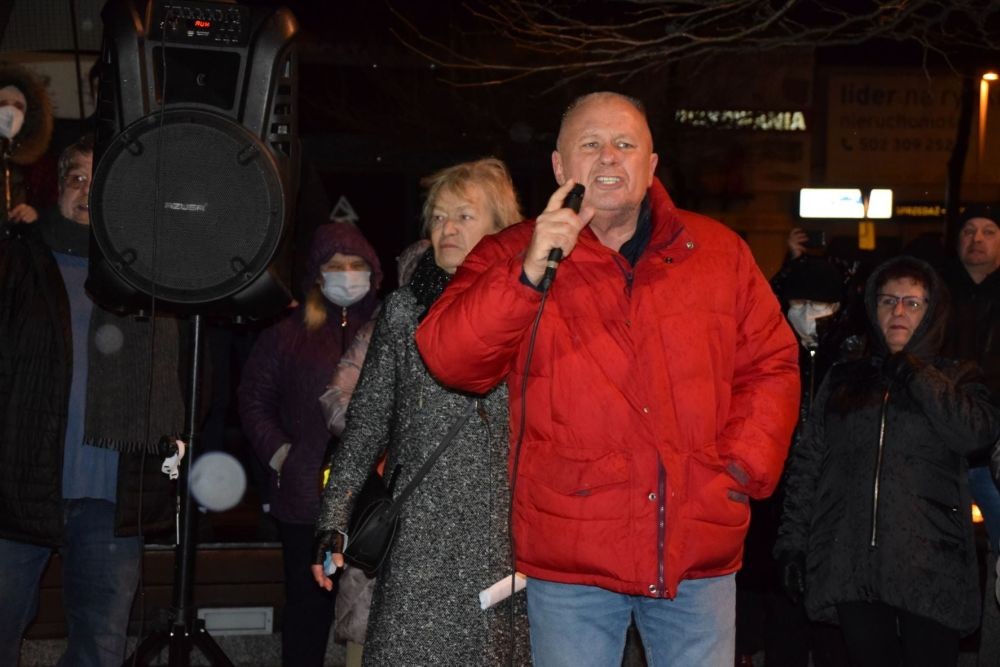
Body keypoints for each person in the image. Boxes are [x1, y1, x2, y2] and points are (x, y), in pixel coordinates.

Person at [414, 92, 801, 665]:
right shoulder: (512, 252)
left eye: (625, 144)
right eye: (591, 144)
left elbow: (772, 364)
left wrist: (739, 467)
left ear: (651, 164)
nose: (609, 157)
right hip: (572, 557)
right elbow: (450, 359)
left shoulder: (717, 253)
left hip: (694, 548)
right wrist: (529, 270)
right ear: (559, 166)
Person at [311, 158, 530, 665]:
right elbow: (366, 424)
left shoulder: (530, 307)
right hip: (414, 540)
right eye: (438, 217)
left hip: (499, 537)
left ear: (501, 228)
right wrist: (333, 521)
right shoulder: (403, 311)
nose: (447, 229)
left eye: (464, 216)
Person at [0, 135, 184, 667]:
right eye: (76, 178)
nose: (85, 191)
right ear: (58, 188)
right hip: (18, 486)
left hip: (109, 496)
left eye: (99, 181)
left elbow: (188, 371)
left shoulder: (147, 278)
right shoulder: (18, 260)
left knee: (100, 650)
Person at [775, 255, 1000, 667]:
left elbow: (976, 433)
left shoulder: (958, 376)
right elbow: (809, 463)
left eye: (912, 303)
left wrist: (915, 373)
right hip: (852, 561)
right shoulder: (845, 378)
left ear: (932, 311)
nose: (898, 312)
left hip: (929, 565)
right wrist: (792, 543)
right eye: (888, 301)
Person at [238, 220, 382, 667]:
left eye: (356, 264)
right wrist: (284, 455)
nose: (347, 273)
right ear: (317, 273)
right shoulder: (287, 334)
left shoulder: (386, 329)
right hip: (305, 497)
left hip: (371, 497)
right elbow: (253, 399)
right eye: (335, 265)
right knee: (307, 608)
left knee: (372, 612)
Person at [940, 205, 1000, 666]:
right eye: (968, 230)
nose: (976, 239)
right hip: (943, 443)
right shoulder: (938, 296)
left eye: (988, 231)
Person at [0, 63, 53, 227]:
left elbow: (51, 206)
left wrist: (34, 213)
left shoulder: (40, 164)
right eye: (3, 104)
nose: (10, 112)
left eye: (18, 106)